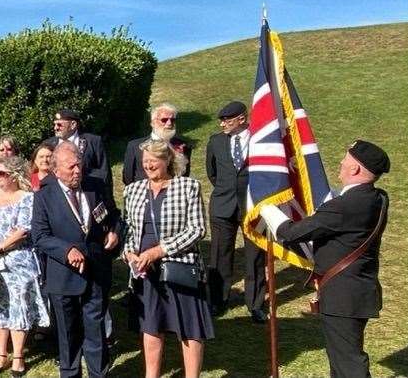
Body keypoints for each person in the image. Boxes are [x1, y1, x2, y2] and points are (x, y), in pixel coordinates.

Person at [259, 140, 390, 378]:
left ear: (355, 169)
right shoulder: (378, 197)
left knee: (348, 364)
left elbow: (290, 233)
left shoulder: (346, 205)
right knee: (342, 361)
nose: (341, 163)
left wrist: (268, 210)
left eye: (346, 160)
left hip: (343, 297)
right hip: (357, 291)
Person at [122, 139, 212, 378]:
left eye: (154, 160)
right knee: (151, 324)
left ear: (168, 160)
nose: (149, 166)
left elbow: (197, 229)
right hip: (146, 270)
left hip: (180, 267)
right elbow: (129, 228)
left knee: (190, 327)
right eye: (145, 162)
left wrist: (159, 251)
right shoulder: (133, 190)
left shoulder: (188, 186)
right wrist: (130, 253)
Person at [31, 142, 121, 378]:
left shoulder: (95, 187)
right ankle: (70, 374)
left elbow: (113, 216)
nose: (77, 171)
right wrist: (67, 250)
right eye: (71, 167)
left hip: (96, 272)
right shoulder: (44, 197)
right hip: (63, 277)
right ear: (56, 170)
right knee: (68, 334)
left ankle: (98, 373)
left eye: (79, 165)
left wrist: (114, 232)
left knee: (95, 330)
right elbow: (40, 236)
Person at [0, 155, 50, 377]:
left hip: (17, 261)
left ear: (15, 176)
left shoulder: (27, 199)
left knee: (18, 306)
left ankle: (18, 355)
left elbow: (23, 230)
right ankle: (0, 353)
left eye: (1, 173)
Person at [205, 101, 267, 320]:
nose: (223, 124)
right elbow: (212, 174)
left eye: (227, 120)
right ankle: (217, 301)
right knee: (220, 254)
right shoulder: (215, 142)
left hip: (253, 206)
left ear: (242, 119)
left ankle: (256, 304)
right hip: (222, 205)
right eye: (221, 121)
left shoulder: (261, 140)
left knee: (255, 256)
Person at [123, 102, 192, 185]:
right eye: (164, 120)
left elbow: (185, 175)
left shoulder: (182, 145)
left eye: (173, 120)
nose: (169, 123)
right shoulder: (134, 146)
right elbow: (128, 177)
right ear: (153, 122)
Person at [46, 109, 110, 188]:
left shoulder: (93, 142)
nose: (55, 128)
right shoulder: (48, 144)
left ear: (73, 124)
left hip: (88, 192)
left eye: (59, 125)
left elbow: (104, 172)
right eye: (54, 124)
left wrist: (107, 197)